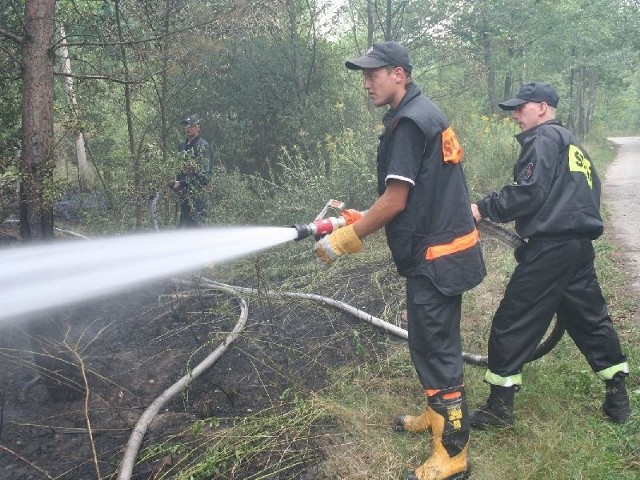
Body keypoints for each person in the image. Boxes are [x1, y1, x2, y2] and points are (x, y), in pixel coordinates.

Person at [314, 42, 485, 480]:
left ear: (399, 74)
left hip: (436, 257)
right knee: (431, 340)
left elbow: (395, 200)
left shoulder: (409, 122)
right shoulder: (421, 111)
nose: (366, 81)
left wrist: (346, 237)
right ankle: (437, 415)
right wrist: (360, 217)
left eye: (374, 73)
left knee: (435, 349)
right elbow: (415, 192)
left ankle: (453, 452)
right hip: (444, 251)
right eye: (363, 74)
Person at [470, 81, 630, 429]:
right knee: (589, 318)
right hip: (578, 247)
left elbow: (528, 192)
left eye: (520, 108)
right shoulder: (575, 146)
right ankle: (617, 393)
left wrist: (483, 208)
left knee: (514, 320)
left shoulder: (542, 140)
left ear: (541, 108)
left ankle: (499, 408)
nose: (515, 115)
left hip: (551, 248)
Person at [172, 115, 213, 227]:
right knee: (184, 226)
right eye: (186, 126)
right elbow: (179, 168)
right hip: (183, 194)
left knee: (196, 226)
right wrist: (176, 182)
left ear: (198, 127)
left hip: (197, 194)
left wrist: (182, 182)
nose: (188, 128)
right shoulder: (182, 145)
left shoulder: (203, 146)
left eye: (192, 125)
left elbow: (204, 175)